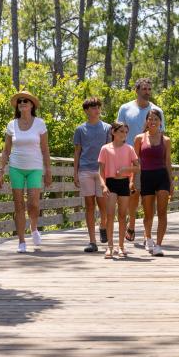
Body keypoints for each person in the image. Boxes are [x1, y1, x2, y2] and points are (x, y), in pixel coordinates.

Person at [0, 91, 52, 253]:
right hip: (16, 168)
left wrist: (48, 170)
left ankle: (34, 227)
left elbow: (45, 149)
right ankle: (21, 240)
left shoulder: (40, 123)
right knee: (19, 205)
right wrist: (0, 170)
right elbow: (6, 151)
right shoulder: (11, 125)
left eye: (26, 101)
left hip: (35, 167)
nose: (22, 103)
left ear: (32, 105)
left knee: (33, 204)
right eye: (20, 101)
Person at [117, 78, 165, 242]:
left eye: (149, 89)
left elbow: (162, 135)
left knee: (148, 197)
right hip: (130, 157)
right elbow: (118, 131)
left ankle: (147, 233)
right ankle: (131, 224)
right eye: (144, 88)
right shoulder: (125, 108)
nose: (147, 91)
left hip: (150, 158)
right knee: (133, 193)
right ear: (136, 90)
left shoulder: (157, 110)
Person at [73, 97, 111, 252]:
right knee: (89, 205)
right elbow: (77, 152)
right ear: (86, 110)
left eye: (98, 107)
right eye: (93, 107)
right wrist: (75, 172)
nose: (97, 109)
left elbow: (111, 149)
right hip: (85, 170)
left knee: (103, 205)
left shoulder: (107, 128)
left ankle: (103, 226)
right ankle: (92, 241)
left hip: (102, 170)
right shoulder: (80, 129)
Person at [98, 122, 140, 259]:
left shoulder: (129, 149)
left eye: (126, 132)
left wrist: (125, 170)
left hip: (123, 183)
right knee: (110, 215)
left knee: (122, 216)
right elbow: (101, 171)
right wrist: (103, 185)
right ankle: (110, 247)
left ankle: (121, 246)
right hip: (110, 183)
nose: (124, 134)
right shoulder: (105, 149)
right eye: (121, 131)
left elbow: (137, 168)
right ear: (113, 132)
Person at [134, 110, 173, 256]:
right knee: (148, 214)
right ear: (146, 121)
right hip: (146, 177)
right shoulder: (139, 138)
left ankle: (158, 245)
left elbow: (168, 162)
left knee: (162, 212)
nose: (153, 121)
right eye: (150, 119)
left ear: (160, 121)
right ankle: (148, 238)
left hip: (162, 176)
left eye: (156, 119)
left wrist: (171, 182)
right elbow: (135, 162)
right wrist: (133, 180)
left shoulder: (166, 140)